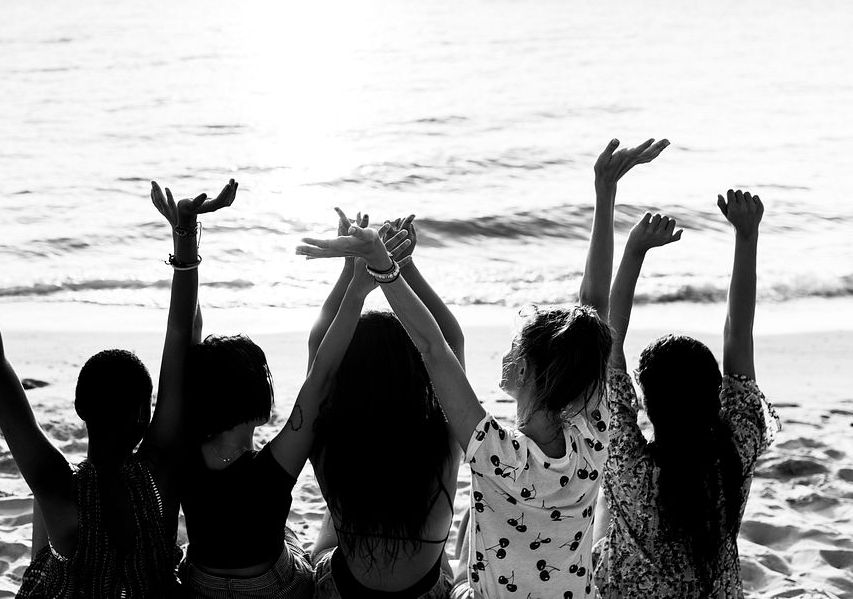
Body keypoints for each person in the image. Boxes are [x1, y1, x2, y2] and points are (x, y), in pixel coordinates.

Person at [298, 138, 669, 598]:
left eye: (514, 349)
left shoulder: (497, 454)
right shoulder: (593, 435)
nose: (505, 355)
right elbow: (591, 317)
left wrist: (387, 270)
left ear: (529, 373)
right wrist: (604, 195)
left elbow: (437, 350)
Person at [0, 180, 236, 597]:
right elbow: (179, 335)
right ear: (143, 414)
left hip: (67, 552)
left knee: (44, 512)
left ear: (79, 406)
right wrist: (184, 234)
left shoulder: (58, 484)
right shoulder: (160, 465)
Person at [151, 194, 410, 599]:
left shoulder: (183, 447)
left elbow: (183, 333)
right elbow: (321, 373)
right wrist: (355, 282)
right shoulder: (277, 463)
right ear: (258, 400)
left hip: (200, 583)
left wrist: (185, 239)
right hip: (270, 588)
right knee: (296, 547)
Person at [595, 191, 779, 598]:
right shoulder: (735, 452)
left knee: (603, 513)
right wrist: (747, 237)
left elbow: (609, 336)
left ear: (646, 401)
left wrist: (635, 252)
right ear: (715, 397)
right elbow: (738, 334)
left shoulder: (632, 467)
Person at [306, 211, 465, 598]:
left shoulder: (327, 440)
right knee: (437, 549)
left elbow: (319, 355)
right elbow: (449, 343)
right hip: (425, 591)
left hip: (344, 591)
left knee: (335, 520)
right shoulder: (445, 439)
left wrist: (351, 272)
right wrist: (400, 266)